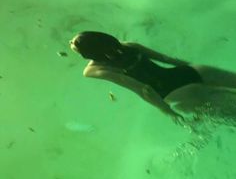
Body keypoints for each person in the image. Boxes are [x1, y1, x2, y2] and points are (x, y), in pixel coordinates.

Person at [69, 31, 236, 124]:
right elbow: (169, 60)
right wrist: (193, 70)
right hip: (193, 72)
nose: (70, 42)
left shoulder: (93, 70)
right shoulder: (129, 46)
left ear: (87, 53)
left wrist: (169, 112)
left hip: (175, 93)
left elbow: (144, 89)